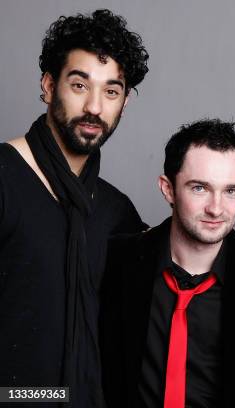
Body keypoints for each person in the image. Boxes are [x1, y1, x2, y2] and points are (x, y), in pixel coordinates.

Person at [0, 9, 149, 407]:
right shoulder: (4, 178)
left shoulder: (117, 211)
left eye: (111, 91)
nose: (95, 108)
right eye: (80, 85)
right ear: (49, 86)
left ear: (124, 102)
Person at [100, 119, 235, 407]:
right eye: (200, 188)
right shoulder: (116, 260)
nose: (216, 208)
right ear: (168, 188)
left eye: (231, 191)